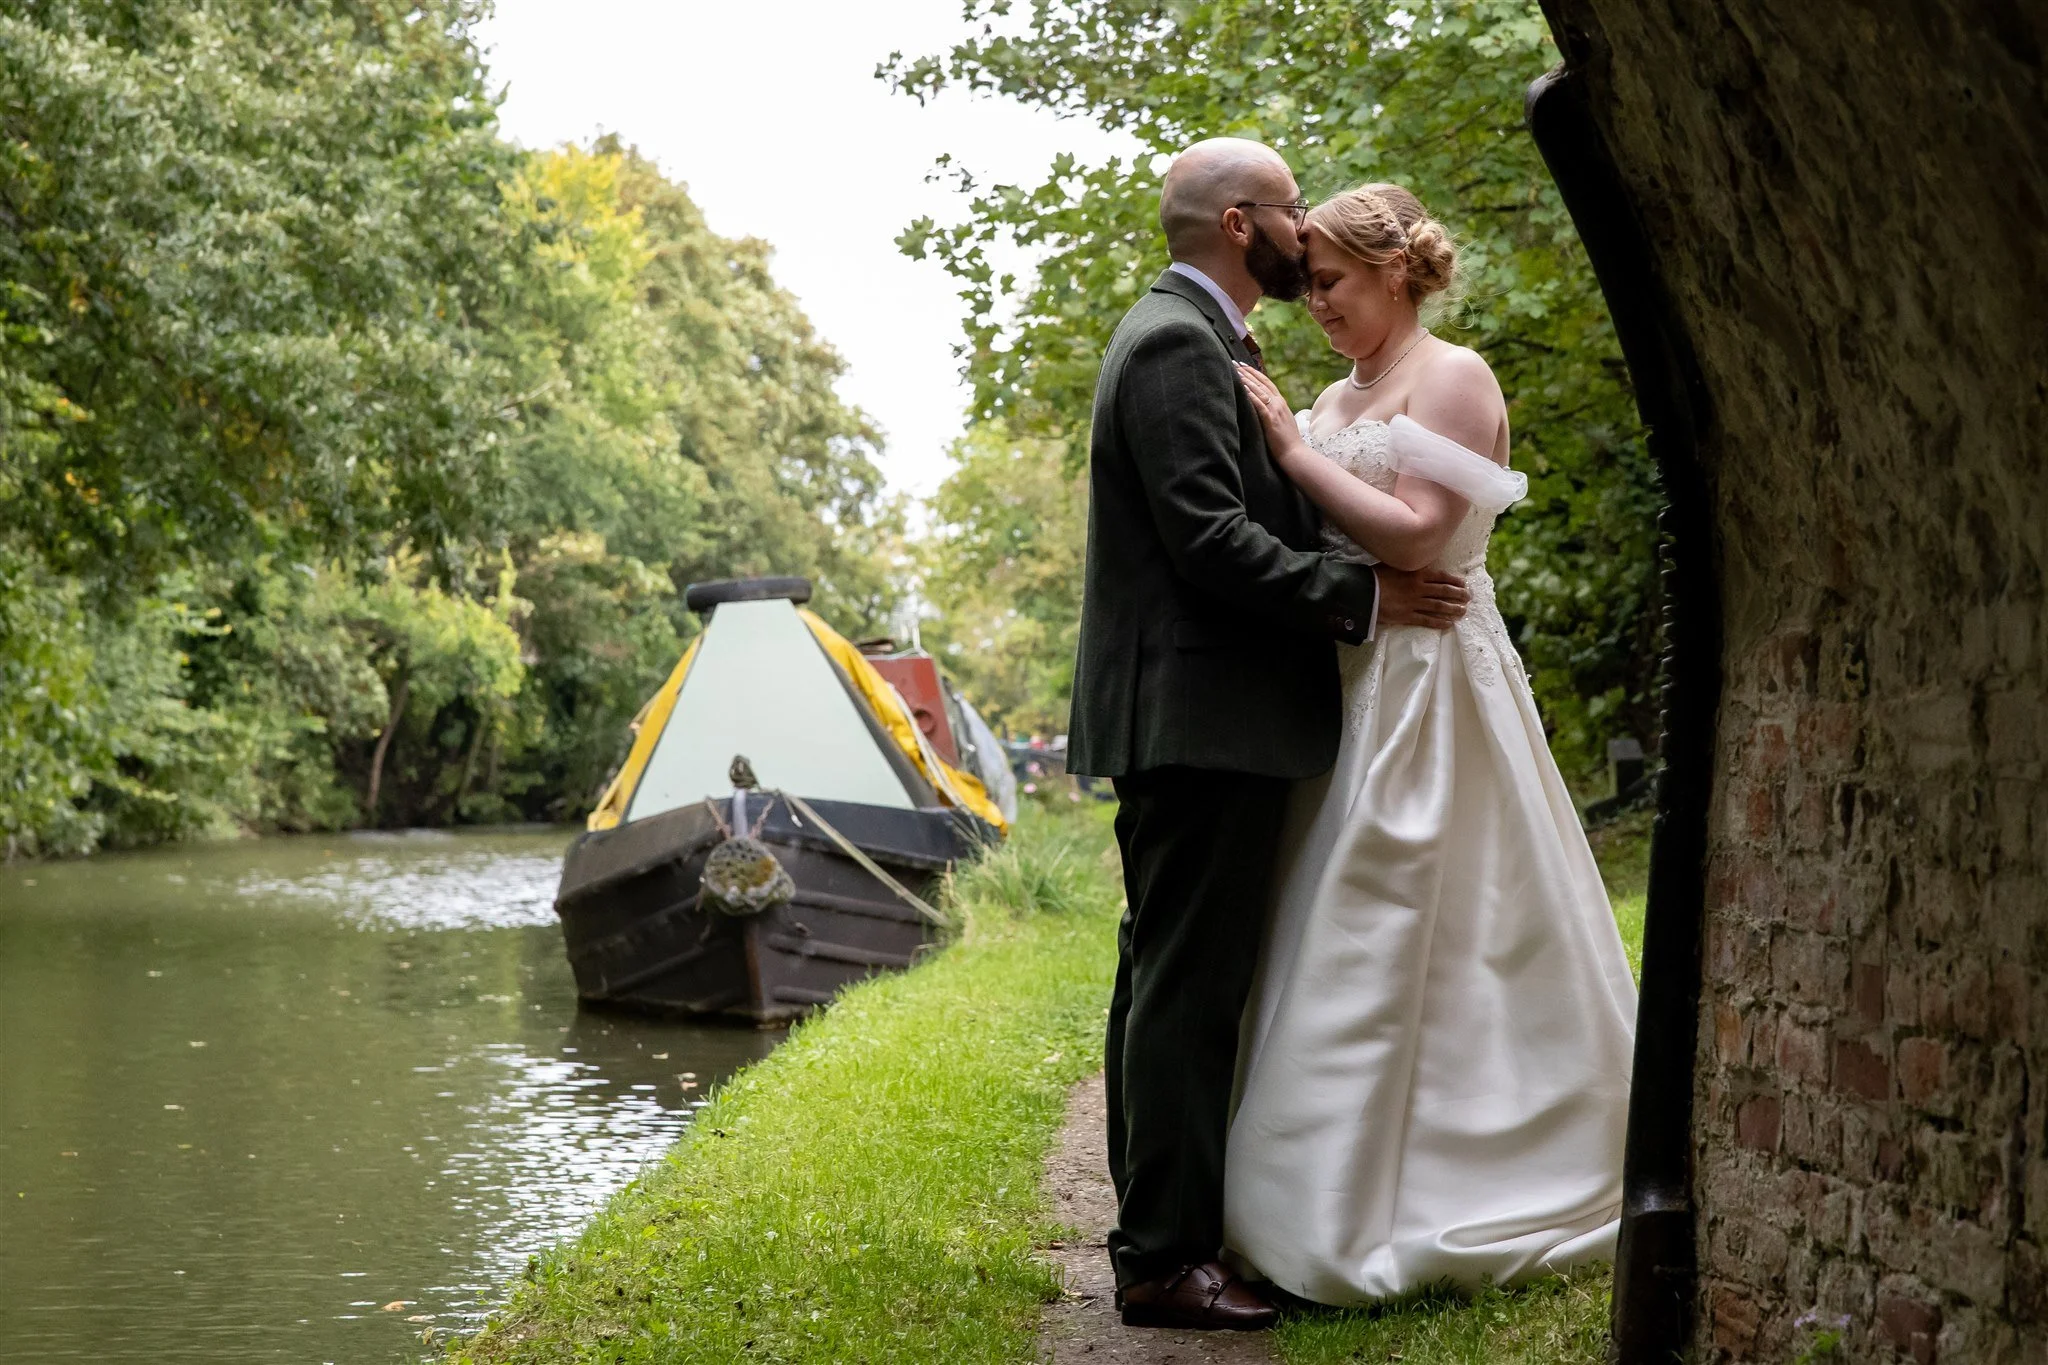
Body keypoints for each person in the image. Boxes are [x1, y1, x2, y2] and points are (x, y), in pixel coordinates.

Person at [1065, 139, 1471, 1332]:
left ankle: (1163, 1231)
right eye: (1296, 213)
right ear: (1244, 224)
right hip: (1198, 715)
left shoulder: (1209, 340)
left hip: (1208, 712)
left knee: (1168, 979)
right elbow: (1204, 538)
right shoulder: (1174, 345)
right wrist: (1362, 600)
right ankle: (1161, 1261)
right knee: (1184, 989)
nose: (1310, 234)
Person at [1222, 183, 1639, 1304]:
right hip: (1357, 671)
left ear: (1395, 271)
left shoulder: (1450, 375)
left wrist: (1286, 446)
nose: (1315, 306)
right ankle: (1304, 1174)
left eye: (1330, 284)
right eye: (1306, 287)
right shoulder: (1334, 388)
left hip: (1432, 677)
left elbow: (1417, 533)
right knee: (1331, 912)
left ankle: (1469, 1172)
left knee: (1431, 904)